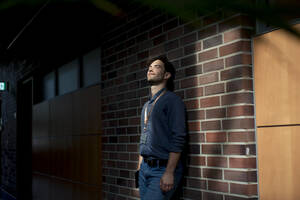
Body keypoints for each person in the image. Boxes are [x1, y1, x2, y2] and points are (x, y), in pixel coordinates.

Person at [137, 55, 187, 200]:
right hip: (144, 170)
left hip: (162, 170)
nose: (151, 68)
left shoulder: (172, 100)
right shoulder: (147, 105)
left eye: (156, 66)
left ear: (166, 75)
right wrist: (140, 166)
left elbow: (178, 138)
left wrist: (169, 172)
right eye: (149, 67)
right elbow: (144, 136)